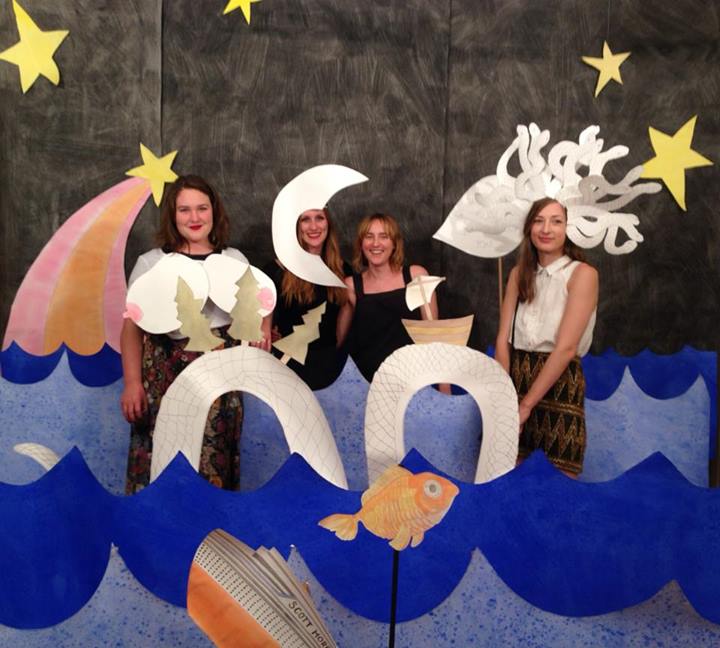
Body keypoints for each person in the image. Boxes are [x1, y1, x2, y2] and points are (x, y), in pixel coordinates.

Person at [120, 175, 247, 494]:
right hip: (160, 379)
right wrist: (133, 383)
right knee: (159, 464)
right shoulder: (151, 263)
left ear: (214, 211)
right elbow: (131, 330)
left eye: (202, 208)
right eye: (184, 210)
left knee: (212, 464)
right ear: (173, 216)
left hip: (218, 382)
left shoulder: (233, 261)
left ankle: (210, 527)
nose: (194, 217)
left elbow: (255, 313)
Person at [495, 197, 598, 477]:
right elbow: (503, 340)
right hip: (517, 378)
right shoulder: (518, 274)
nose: (546, 229)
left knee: (559, 481)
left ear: (568, 228)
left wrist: (526, 406)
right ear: (529, 228)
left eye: (556, 221)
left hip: (559, 382)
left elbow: (566, 348)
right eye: (538, 221)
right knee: (510, 476)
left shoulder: (582, 274)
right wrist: (506, 398)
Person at [343, 213, 439, 383]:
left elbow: (434, 337)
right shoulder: (350, 286)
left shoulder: (416, 276)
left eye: (384, 236)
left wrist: (443, 388)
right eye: (369, 236)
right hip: (367, 384)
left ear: (394, 243)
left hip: (413, 381)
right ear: (361, 244)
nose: (376, 243)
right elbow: (339, 340)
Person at [263, 207, 351, 390]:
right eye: (305, 220)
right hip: (286, 368)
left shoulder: (343, 271)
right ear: (297, 226)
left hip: (330, 369)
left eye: (319, 218)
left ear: (328, 224)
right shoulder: (276, 271)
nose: (313, 226)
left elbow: (347, 321)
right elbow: (263, 324)